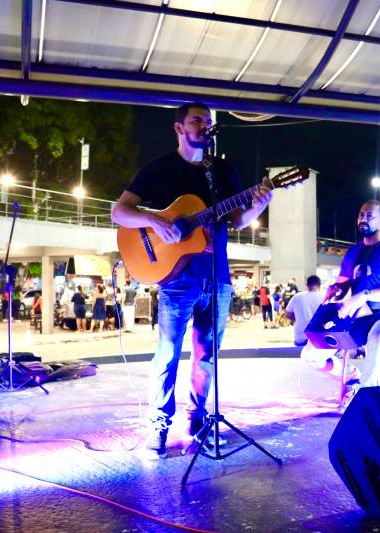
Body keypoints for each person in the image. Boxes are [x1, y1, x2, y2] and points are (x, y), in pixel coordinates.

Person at [111, 101, 273, 458]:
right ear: (180, 128)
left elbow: (240, 220)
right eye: (197, 120)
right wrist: (155, 222)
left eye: (209, 121)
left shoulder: (223, 170)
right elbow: (119, 211)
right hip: (178, 279)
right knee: (167, 353)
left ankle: (199, 421)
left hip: (218, 278)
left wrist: (261, 201)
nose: (205, 125)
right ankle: (158, 426)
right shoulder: (159, 169)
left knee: (206, 357)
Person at [325, 200, 380, 408]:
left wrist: (364, 295)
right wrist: (336, 289)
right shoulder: (352, 252)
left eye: (369, 216)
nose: (363, 219)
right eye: (361, 215)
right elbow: (343, 283)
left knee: (378, 337)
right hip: (360, 319)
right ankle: (352, 377)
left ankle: (363, 402)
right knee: (312, 353)